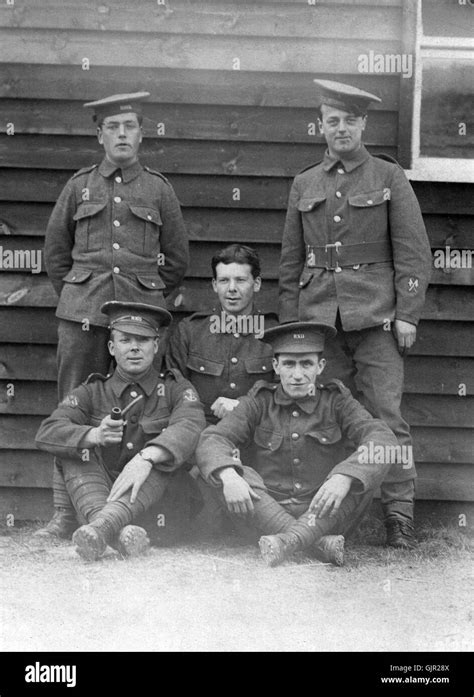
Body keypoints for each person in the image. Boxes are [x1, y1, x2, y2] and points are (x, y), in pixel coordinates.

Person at [278, 79, 432, 549]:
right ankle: (332, 518)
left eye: (349, 120)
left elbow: (413, 253)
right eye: (332, 121)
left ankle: (398, 517)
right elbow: (290, 263)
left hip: (377, 319)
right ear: (320, 126)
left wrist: (407, 313)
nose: (340, 128)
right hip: (320, 322)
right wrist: (291, 331)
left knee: (387, 417)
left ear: (363, 124)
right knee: (328, 418)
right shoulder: (305, 183)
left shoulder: (388, 177)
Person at [38, 92, 189, 539]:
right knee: (72, 408)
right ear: (99, 134)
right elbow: (56, 255)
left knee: (148, 406)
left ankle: (131, 510)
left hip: (141, 317)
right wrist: (77, 295)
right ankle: (66, 512)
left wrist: (149, 301)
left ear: (142, 133)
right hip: (82, 315)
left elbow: (177, 260)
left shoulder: (159, 189)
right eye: (112, 127)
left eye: (129, 126)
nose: (121, 134)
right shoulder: (78, 186)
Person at [195, 322, 398, 567]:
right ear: (276, 366)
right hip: (264, 512)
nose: (298, 374)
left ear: (320, 366)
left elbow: (382, 438)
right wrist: (229, 476)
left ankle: (288, 541)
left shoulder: (337, 400)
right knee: (229, 470)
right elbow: (213, 439)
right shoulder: (259, 401)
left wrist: (344, 476)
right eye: (289, 364)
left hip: (325, 511)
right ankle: (317, 544)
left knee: (368, 467)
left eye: (307, 364)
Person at [35, 301, 205, 561]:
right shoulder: (92, 391)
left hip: (160, 508)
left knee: (162, 459)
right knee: (76, 449)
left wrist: (147, 457)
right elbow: (48, 431)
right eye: (125, 340)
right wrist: (94, 435)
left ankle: (102, 528)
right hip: (100, 496)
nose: (135, 347)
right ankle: (118, 533)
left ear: (156, 346)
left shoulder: (175, 388)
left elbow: (190, 424)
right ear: (112, 348)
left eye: (143, 340)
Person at [166, 244, 276, 424]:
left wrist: (243, 408)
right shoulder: (190, 331)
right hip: (201, 430)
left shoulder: (274, 333)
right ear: (215, 285)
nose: (232, 288)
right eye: (224, 280)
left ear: (256, 284)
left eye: (240, 280)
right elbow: (175, 390)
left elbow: (283, 396)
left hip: (258, 432)